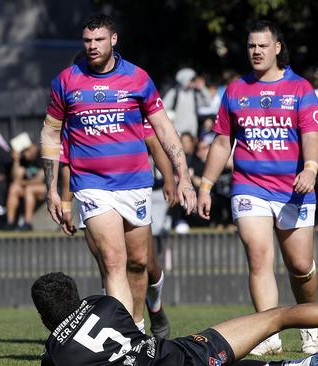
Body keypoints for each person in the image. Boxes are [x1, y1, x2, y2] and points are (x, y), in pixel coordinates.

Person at [40, 13, 196, 332]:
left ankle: (137, 326)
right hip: (92, 186)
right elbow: (50, 133)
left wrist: (183, 177)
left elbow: (162, 130)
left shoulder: (138, 78)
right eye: (87, 41)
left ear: (113, 40)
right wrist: (52, 189)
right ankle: (126, 338)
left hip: (136, 184)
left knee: (139, 263)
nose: (92, 46)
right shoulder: (66, 81)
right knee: (113, 261)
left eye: (98, 40)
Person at [198, 20, 318, 356]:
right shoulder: (236, 90)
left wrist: (311, 168)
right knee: (259, 256)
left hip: (295, 189)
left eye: (263, 46)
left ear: (277, 47)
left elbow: (311, 134)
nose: (256, 51)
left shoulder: (300, 89)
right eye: (251, 45)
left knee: (300, 265)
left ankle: (310, 325)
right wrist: (206, 185)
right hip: (249, 187)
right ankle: (267, 334)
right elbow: (223, 142)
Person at [32, 271, 318, 366]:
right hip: (183, 354)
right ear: (76, 295)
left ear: (44, 317)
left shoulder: (55, 354)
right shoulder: (102, 304)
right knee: (277, 316)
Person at [59, 119, 177, 338]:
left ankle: (156, 308)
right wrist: (66, 203)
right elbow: (67, 161)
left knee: (143, 262)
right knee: (110, 265)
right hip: (92, 192)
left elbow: (154, 143)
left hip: (131, 189)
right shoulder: (75, 112)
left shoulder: (128, 102)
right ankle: (130, 332)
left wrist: (169, 179)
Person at [5, 142, 46, 231]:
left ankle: (28, 223)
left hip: (48, 189)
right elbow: (15, 178)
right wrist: (16, 160)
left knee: (29, 189)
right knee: (13, 188)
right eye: (23, 151)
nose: (24, 153)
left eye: (27, 150)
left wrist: (22, 183)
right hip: (28, 186)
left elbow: (39, 180)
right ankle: (10, 223)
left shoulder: (41, 157)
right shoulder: (23, 160)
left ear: (34, 147)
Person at [162, 67, 213, 137]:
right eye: (191, 79)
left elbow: (208, 102)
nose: (193, 81)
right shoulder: (174, 93)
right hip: (177, 132)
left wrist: (202, 88)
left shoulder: (195, 93)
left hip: (192, 132)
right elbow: (162, 108)